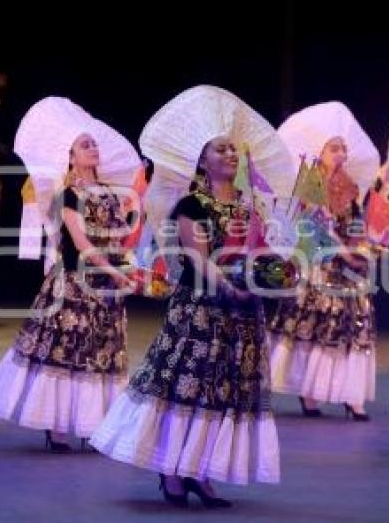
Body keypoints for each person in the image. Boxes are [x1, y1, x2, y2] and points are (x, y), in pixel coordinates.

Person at [91, 85, 295, 507]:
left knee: (225, 391)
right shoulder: (191, 205)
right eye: (221, 149)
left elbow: (258, 250)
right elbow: (199, 260)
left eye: (234, 150)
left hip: (241, 311)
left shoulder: (249, 205)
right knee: (189, 388)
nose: (231, 156)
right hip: (203, 309)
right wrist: (229, 285)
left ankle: (201, 471)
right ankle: (172, 470)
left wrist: (276, 270)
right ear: (203, 159)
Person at [0, 97, 141, 450]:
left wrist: (128, 266)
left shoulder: (113, 195)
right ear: (70, 157)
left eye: (94, 143)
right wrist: (113, 272)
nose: (92, 148)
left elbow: (118, 239)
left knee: (101, 352)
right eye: (85, 145)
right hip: (76, 283)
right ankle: (55, 426)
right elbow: (82, 245)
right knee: (67, 351)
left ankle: (91, 423)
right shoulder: (69, 195)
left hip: (108, 287)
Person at [269, 102, 381, 420]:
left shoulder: (350, 186)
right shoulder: (309, 183)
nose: (342, 154)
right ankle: (309, 393)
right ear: (321, 151)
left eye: (344, 148)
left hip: (348, 268)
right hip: (318, 264)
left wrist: (361, 247)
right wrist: (342, 251)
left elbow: (355, 222)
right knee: (316, 324)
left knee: (356, 326)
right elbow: (311, 226)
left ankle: (352, 396)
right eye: (335, 148)